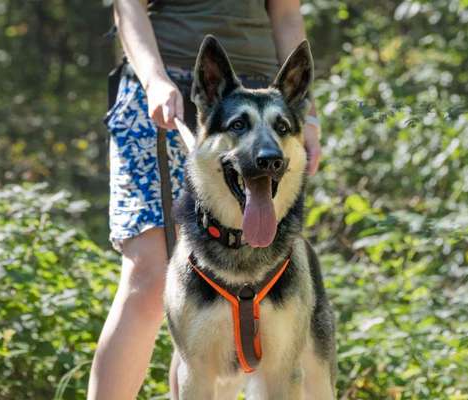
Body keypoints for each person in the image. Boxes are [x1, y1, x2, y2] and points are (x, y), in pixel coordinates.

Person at [87, 0, 322, 398]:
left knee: (244, 290)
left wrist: (308, 117)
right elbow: (127, 6)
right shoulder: (159, 81)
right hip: (163, 86)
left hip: (262, 99)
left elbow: (285, 15)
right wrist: (154, 79)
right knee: (150, 278)